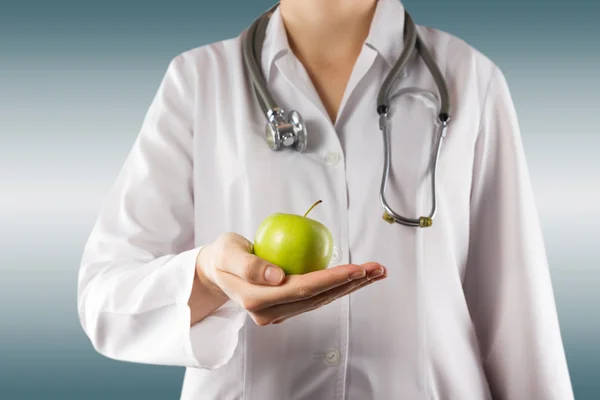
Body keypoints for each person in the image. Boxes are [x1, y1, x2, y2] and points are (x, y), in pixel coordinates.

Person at [77, 0, 574, 398]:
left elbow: (518, 316)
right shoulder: (198, 81)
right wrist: (209, 276)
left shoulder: (471, 79)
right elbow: (104, 298)